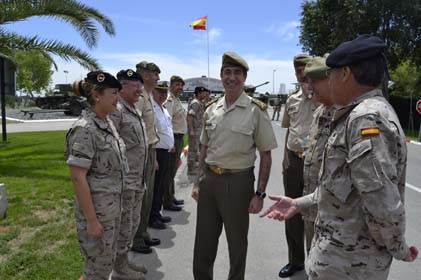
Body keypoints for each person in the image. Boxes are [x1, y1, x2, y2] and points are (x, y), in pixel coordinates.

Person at [261, 35, 418, 280]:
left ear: (344, 74)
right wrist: (298, 203)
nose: (325, 82)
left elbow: (383, 205)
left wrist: (399, 249)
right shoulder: (354, 115)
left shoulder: (367, 118)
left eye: (330, 74)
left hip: (350, 266)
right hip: (336, 260)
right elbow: (341, 188)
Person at [191, 51, 277, 280]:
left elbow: (266, 156)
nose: (231, 77)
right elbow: (204, 149)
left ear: (245, 77)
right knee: (204, 242)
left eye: (237, 73)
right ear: (221, 76)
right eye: (227, 72)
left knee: (237, 243)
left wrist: (259, 193)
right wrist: (197, 182)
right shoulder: (212, 108)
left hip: (238, 182)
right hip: (210, 181)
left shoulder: (256, 110)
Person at [65, 71, 126, 280]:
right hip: (98, 214)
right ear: (97, 95)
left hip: (110, 211)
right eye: (113, 93)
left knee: (102, 267)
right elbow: (77, 178)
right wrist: (91, 221)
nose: (118, 98)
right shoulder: (85, 129)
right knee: (96, 270)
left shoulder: (106, 122)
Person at [279, 54, 319, 278]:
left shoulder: (323, 96)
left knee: (314, 213)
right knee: (292, 211)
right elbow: (289, 129)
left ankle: (315, 262)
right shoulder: (292, 100)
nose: (300, 73)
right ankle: (295, 261)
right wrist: (285, 158)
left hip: (316, 162)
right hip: (294, 160)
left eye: (304, 68)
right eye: (297, 70)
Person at [109, 69, 148, 279]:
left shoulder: (133, 109)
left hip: (137, 180)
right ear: (122, 87)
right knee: (124, 226)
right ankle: (119, 270)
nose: (139, 89)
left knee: (132, 224)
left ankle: (124, 262)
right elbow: (110, 146)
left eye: (140, 85)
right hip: (124, 183)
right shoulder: (117, 111)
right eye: (135, 85)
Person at [301, 56, 334, 255]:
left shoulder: (346, 115)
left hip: (331, 209)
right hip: (310, 198)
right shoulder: (320, 112)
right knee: (311, 251)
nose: (309, 87)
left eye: (315, 80)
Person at [132, 61, 161, 254]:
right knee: (141, 198)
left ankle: (143, 233)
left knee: (148, 196)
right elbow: (137, 127)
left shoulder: (148, 96)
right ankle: (136, 239)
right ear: (145, 75)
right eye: (155, 74)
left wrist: (154, 157)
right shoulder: (140, 96)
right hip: (142, 152)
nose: (158, 77)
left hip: (150, 151)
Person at [149, 81, 174, 230]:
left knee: (161, 186)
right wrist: (153, 155)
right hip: (157, 153)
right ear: (153, 92)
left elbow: (167, 130)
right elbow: (150, 132)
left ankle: (157, 213)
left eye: (165, 92)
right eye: (160, 92)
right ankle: (152, 217)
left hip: (166, 152)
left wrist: (170, 146)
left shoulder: (163, 109)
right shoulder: (151, 109)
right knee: (155, 187)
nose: (163, 95)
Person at [163, 75, 187, 211]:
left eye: (181, 85)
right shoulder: (170, 100)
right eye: (178, 85)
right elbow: (168, 122)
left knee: (172, 170)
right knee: (169, 172)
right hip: (173, 138)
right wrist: (171, 143)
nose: (180, 88)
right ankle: (167, 201)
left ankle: (171, 197)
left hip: (179, 138)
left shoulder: (177, 99)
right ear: (171, 85)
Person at [187, 86, 207, 176]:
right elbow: (190, 115)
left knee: (197, 150)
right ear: (199, 93)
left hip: (199, 130)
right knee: (192, 150)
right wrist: (191, 130)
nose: (205, 94)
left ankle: (195, 167)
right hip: (194, 130)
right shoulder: (195, 103)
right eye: (203, 93)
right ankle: (191, 169)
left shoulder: (200, 103)